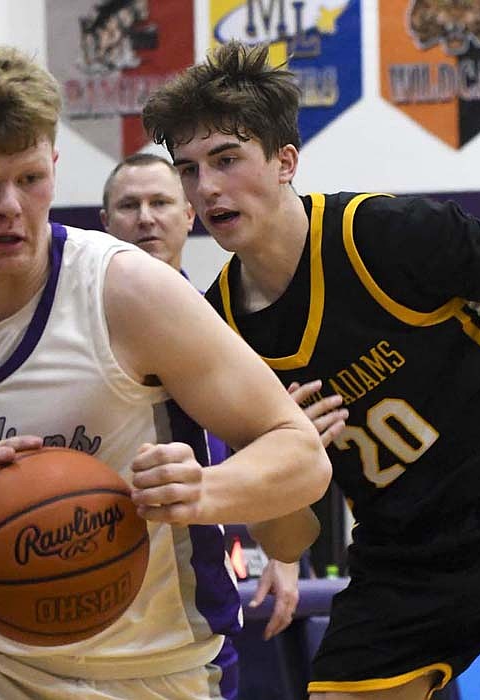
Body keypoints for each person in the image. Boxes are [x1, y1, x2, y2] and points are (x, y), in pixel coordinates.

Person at [0, 43, 331, 700]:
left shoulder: (127, 292)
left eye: (30, 179)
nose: (10, 206)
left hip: (155, 674)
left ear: (54, 169)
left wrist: (203, 488)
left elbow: (302, 456)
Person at [141, 40, 480, 700]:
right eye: (188, 170)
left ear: (284, 161)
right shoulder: (216, 329)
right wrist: (283, 451)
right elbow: (290, 534)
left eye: (225, 160)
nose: (207, 187)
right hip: (403, 553)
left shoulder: (389, 233)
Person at [100, 151, 350, 639]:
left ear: (189, 214)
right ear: (105, 222)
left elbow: (278, 479)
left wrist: (284, 556)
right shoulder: (83, 327)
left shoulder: (231, 325)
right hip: (106, 574)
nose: (146, 217)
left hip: (201, 597)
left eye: (160, 202)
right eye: (130, 206)